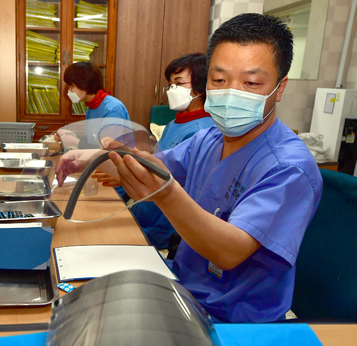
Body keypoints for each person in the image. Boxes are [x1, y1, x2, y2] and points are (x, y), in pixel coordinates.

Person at [55, 13, 323, 323]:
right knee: (72, 298)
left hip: (234, 319)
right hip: (183, 289)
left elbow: (229, 251)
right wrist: (94, 157)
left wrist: (166, 195)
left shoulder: (290, 168)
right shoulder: (208, 138)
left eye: (251, 82)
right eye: (219, 80)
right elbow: (154, 169)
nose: (232, 92)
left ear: (279, 87)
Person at [129, 53, 216, 249]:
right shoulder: (174, 123)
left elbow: (184, 192)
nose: (171, 90)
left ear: (200, 87)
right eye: (170, 84)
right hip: (145, 210)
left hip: (163, 226)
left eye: (178, 83)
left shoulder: (202, 131)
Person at [55, 61, 130, 149]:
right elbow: (93, 141)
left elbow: (108, 150)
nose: (69, 91)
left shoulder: (113, 109)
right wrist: (72, 136)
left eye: (72, 87)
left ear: (85, 85)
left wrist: (75, 142)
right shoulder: (92, 107)